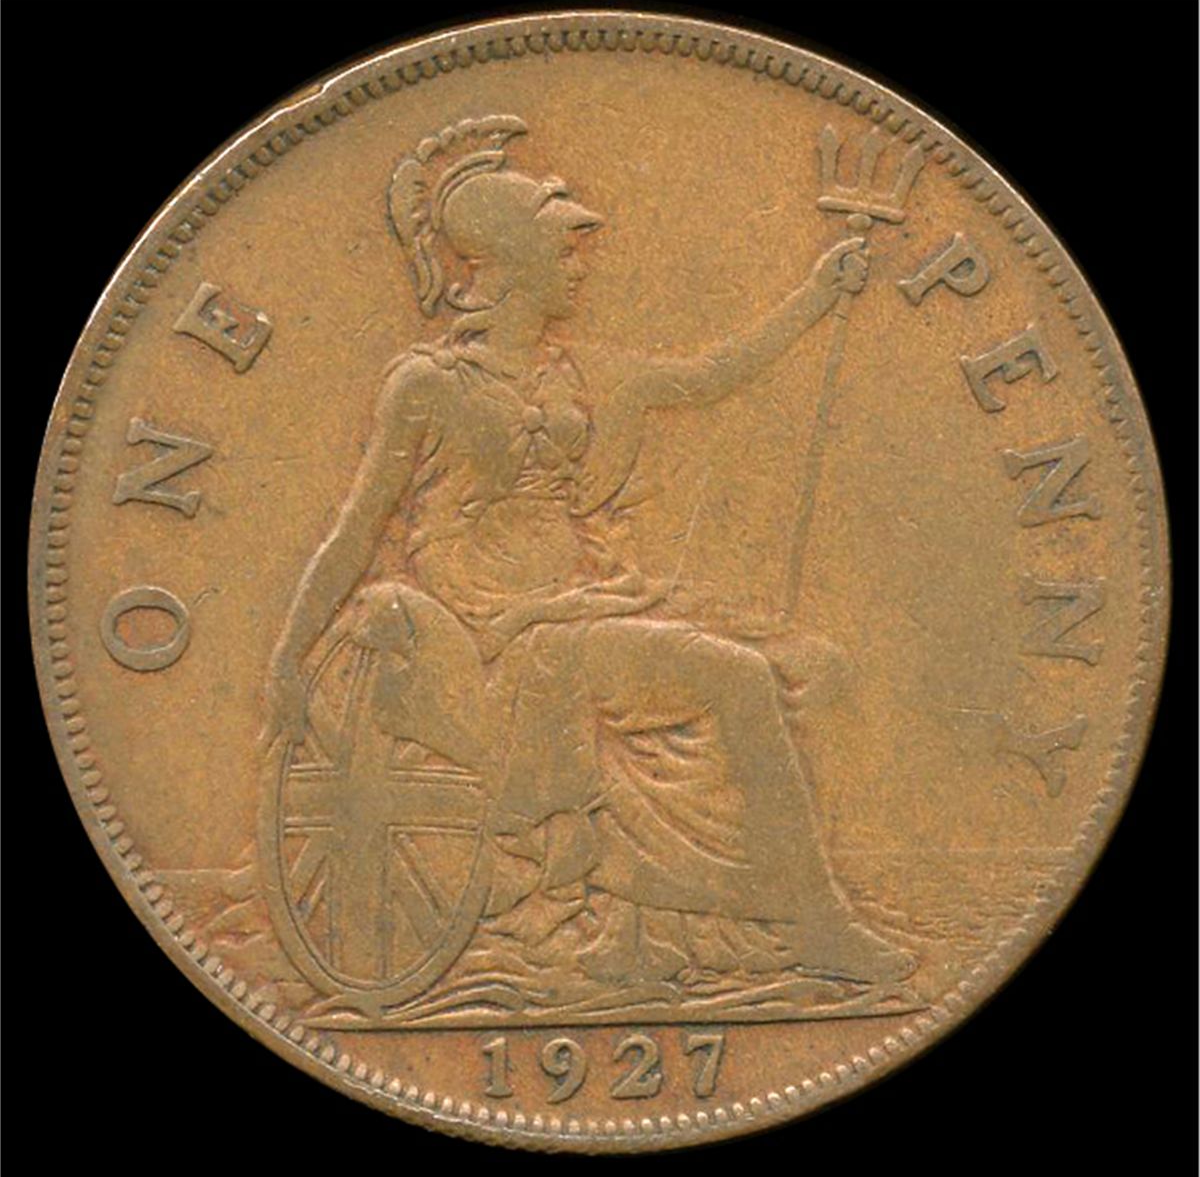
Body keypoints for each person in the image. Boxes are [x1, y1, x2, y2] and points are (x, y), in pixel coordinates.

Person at [265, 115, 913, 990]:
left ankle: (648, 924)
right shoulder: (426, 386)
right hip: (497, 632)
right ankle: (817, 923)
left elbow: (711, 376)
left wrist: (817, 295)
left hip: (584, 603)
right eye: (562, 251)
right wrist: (291, 653)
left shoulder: (578, 373)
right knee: (737, 677)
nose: (579, 267)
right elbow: (356, 527)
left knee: (799, 666)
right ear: (508, 263)